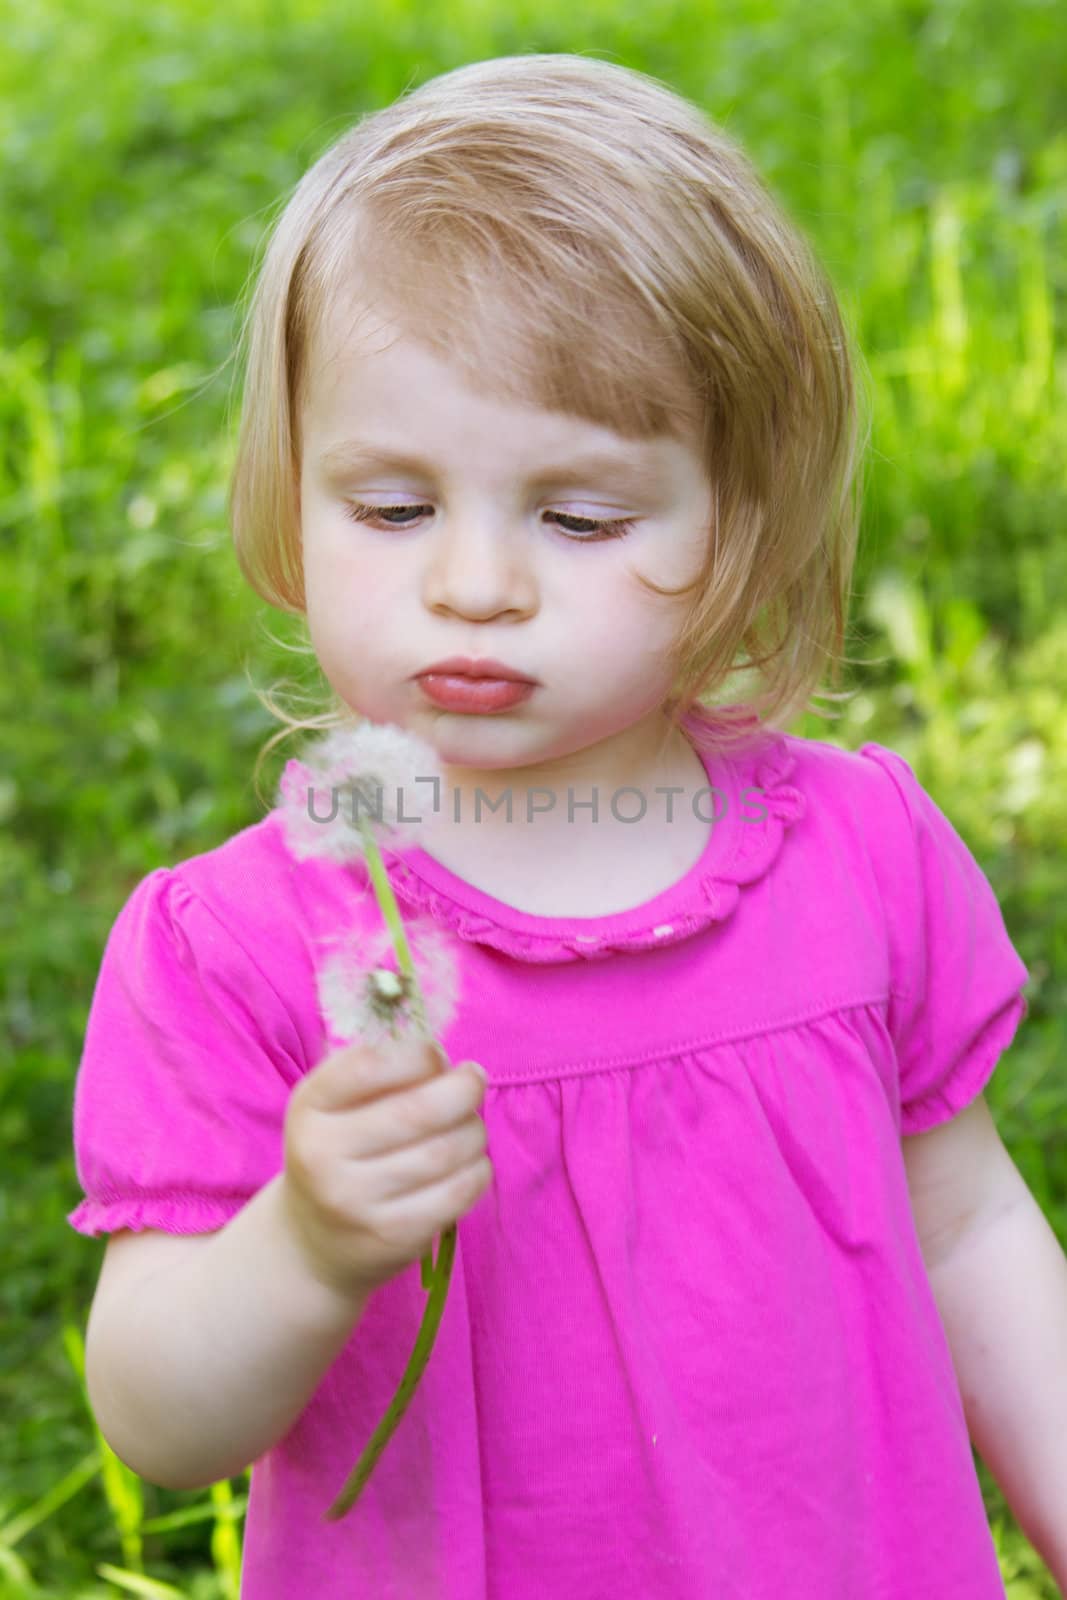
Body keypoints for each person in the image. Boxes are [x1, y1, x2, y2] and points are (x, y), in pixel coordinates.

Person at [67, 53, 1037, 1599]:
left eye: (578, 518)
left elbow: (976, 1232)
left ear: (745, 522)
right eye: (391, 509)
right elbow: (157, 1416)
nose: (473, 584)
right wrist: (306, 1247)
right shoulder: (243, 951)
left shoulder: (856, 852)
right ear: (286, 497)